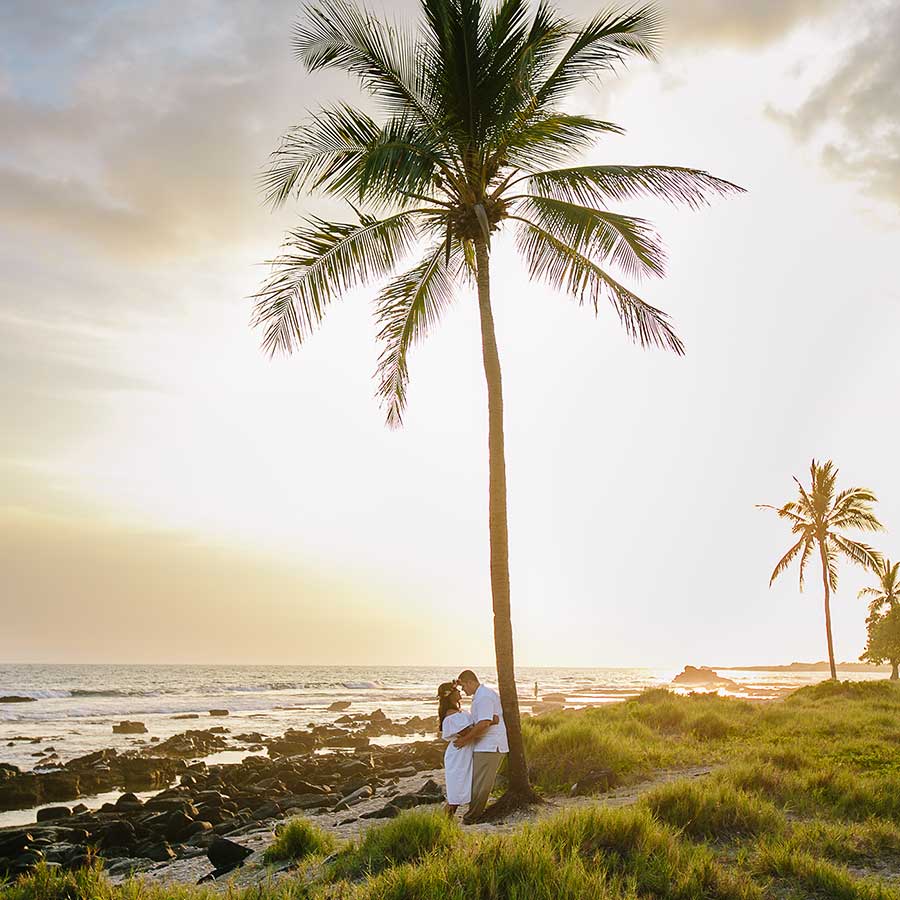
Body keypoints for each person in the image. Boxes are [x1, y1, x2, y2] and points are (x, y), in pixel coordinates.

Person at [437, 681, 500, 819]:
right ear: (450, 695)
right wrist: (490, 721)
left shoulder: (458, 712)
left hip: (466, 752)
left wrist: (485, 720)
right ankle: (442, 823)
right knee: (456, 792)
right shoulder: (451, 715)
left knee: (463, 788)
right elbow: (467, 732)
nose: (460, 692)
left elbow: (473, 725)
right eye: (457, 690)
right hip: (458, 754)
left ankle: (445, 822)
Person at [453, 669, 508, 824]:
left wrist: (465, 740)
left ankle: (472, 817)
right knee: (477, 781)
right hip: (484, 744)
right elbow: (488, 720)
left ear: (470, 682)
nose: (463, 690)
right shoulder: (480, 696)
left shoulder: (484, 697)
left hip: (490, 745)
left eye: (463, 686)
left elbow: (483, 723)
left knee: (481, 784)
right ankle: (472, 814)